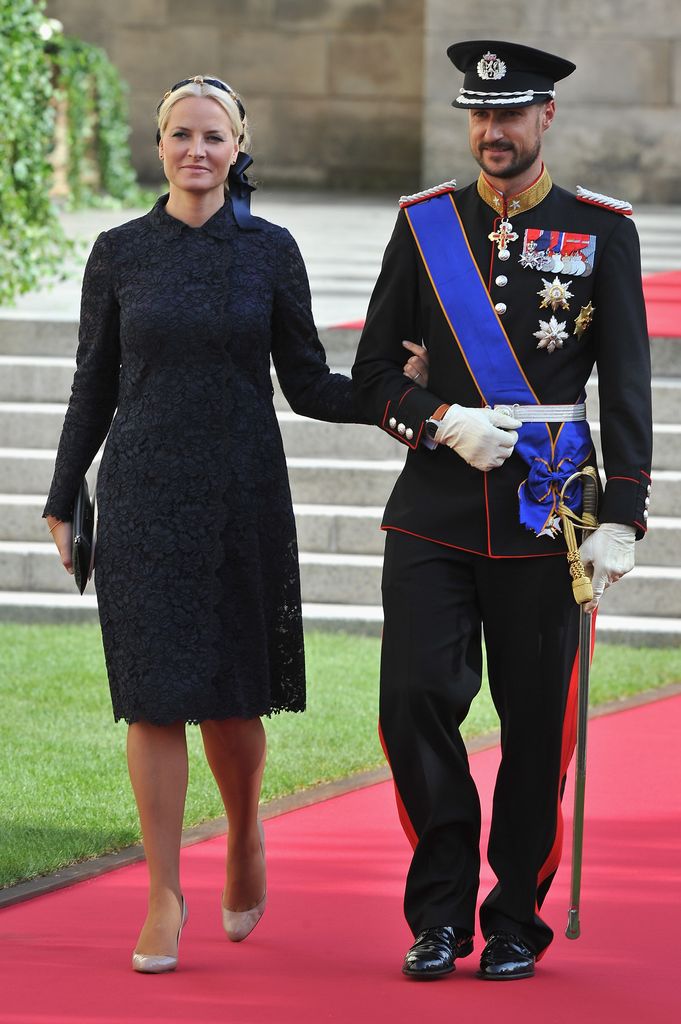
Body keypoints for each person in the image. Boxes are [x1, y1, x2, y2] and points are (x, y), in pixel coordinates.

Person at [44, 74, 428, 973]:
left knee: (229, 697)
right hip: (142, 494)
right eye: (181, 134)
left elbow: (309, 382)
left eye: (213, 136)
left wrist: (399, 397)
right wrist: (63, 497)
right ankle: (163, 894)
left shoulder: (270, 251)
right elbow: (92, 382)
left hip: (240, 494)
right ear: (158, 144)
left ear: (239, 145)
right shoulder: (119, 251)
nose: (196, 150)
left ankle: (246, 829)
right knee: (151, 697)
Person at [352, 40, 652, 981]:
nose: (492, 130)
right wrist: (439, 420)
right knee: (412, 702)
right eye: (479, 115)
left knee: (534, 726)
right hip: (433, 507)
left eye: (510, 113)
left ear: (545, 116)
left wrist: (623, 513)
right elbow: (372, 374)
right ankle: (439, 912)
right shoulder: (426, 224)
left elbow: (627, 385)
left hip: (545, 513)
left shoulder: (600, 230)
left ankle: (515, 914)